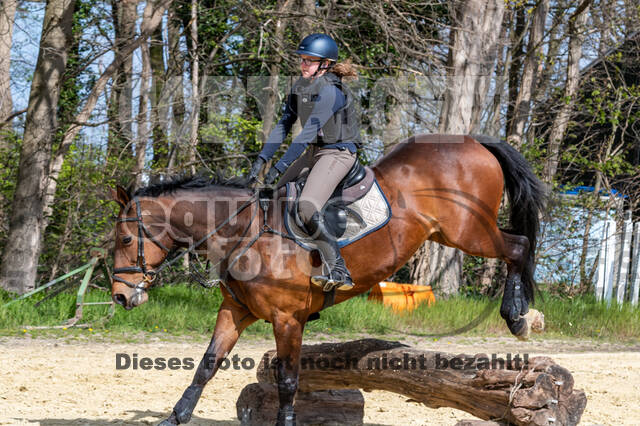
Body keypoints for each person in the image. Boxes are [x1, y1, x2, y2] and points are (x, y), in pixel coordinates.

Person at [247, 33, 361, 291]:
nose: (303, 65)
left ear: (325, 64)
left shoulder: (333, 91)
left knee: (307, 207)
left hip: (338, 153)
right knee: (274, 199)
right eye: (302, 60)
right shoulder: (300, 86)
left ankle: (339, 269)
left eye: (310, 61)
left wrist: (279, 167)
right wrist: (262, 160)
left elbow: (308, 131)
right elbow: (284, 124)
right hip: (313, 153)